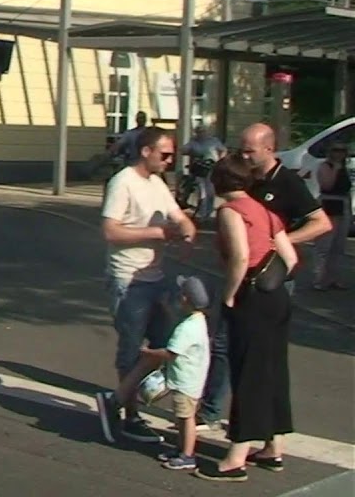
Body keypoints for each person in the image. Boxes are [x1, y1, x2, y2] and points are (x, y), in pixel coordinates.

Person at [199, 123, 331, 428]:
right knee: (224, 344)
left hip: (271, 276)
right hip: (245, 272)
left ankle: (249, 425)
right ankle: (213, 410)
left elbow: (321, 223)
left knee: (262, 354)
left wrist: (279, 240)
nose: (243, 156)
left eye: (250, 151)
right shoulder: (246, 180)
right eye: (240, 149)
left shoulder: (287, 182)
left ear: (269, 149)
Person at [197, 155, 300, 482]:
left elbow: (240, 256)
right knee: (273, 369)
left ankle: (236, 457)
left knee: (248, 373)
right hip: (276, 297)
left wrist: (228, 295)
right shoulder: (266, 212)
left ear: (220, 182)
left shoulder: (231, 212)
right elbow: (291, 258)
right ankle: (273, 447)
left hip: (251, 296)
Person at [99, 126, 197, 443]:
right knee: (131, 349)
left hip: (155, 277)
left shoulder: (156, 183)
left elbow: (176, 213)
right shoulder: (122, 183)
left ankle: (126, 399)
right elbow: (111, 232)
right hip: (128, 280)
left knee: (164, 346)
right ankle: (129, 415)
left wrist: (185, 225)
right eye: (164, 154)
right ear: (146, 151)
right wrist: (156, 234)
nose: (169, 161)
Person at [96, 276, 211, 471]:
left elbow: (170, 353)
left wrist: (146, 352)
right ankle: (180, 449)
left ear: (185, 299)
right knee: (183, 417)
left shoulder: (187, 328)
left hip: (185, 383)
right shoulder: (198, 321)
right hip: (190, 380)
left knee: (185, 418)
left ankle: (187, 455)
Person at [312, 141, 350, 290]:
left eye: (342, 151)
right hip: (329, 202)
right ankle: (319, 278)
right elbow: (327, 185)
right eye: (336, 150)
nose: (339, 154)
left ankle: (333, 277)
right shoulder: (325, 166)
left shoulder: (345, 168)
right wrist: (335, 168)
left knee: (338, 245)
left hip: (343, 203)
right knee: (324, 244)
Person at [182, 125, 226, 219]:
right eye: (199, 131)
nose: (201, 133)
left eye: (203, 131)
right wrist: (190, 151)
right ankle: (201, 212)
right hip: (198, 169)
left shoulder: (213, 141)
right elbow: (183, 150)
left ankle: (208, 212)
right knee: (202, 190)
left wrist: (220, 161)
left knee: (210, 191)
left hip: (211, 167)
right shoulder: (193, 142)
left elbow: (223, 150)